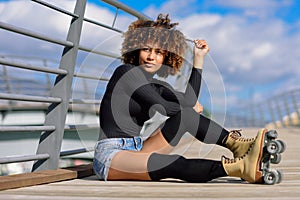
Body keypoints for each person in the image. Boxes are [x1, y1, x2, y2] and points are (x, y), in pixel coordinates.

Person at [93, 14, 266, 183]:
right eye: (146, 49)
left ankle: (239, 146)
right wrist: (188, 108)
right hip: (110, 156)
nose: (151, 56)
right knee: (172, 163)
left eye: (159, 52)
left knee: (186, 117)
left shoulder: (158, 87)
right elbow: (163, 107)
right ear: (137, 50)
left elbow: (189, 100)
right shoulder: (125, 73)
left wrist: (198, 58)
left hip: (137, 148)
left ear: (165, 57)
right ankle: (242, 168)